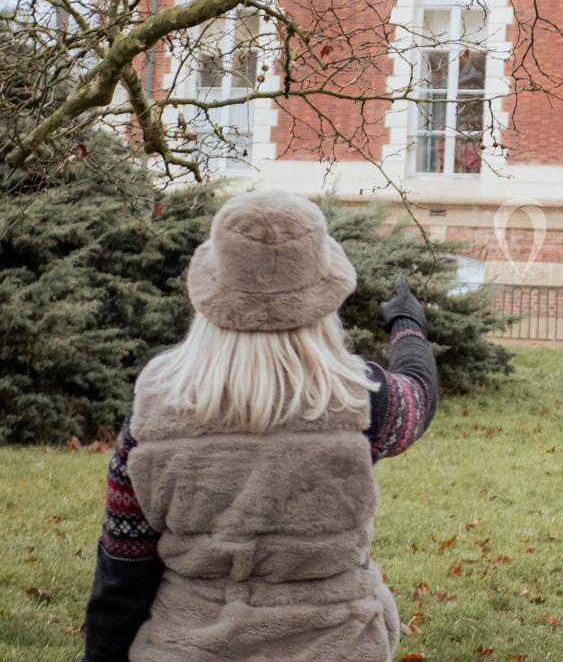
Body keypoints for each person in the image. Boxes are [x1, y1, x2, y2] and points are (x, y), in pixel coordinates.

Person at [81, 190, 439, 662]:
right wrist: (408, 325)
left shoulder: (157, 406)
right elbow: (420, 393)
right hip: (338, 647)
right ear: (322, 299)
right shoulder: (362, 399)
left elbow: (124, 563)